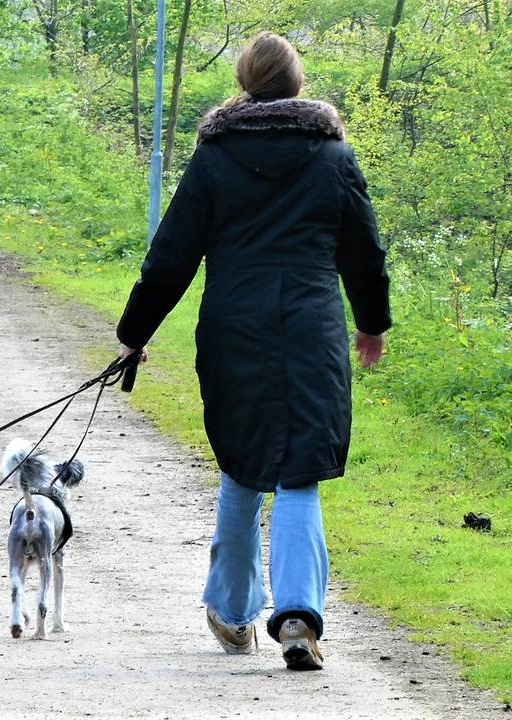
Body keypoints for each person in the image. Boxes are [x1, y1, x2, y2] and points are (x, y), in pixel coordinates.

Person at [114, 31, 390, 671]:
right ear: (298, 85)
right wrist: (371, 324)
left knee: (241, 467)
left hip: (233, 326)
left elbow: (172, 257)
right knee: (300, 471)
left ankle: (235, 615)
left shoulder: (214, 158)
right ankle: (296, 617)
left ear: (244, 82)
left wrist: (135, 333)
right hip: (311, 326)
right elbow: (364, 253)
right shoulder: (333, 157)